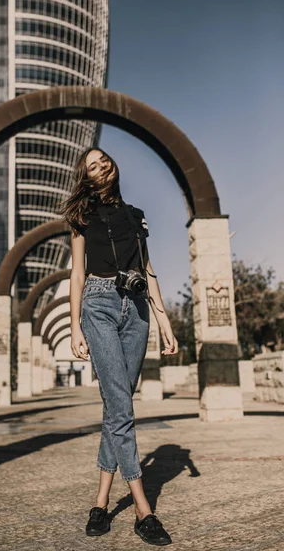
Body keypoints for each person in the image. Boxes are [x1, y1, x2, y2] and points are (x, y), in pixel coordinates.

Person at [59, 147, 179, 546]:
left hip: (138, 310)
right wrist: (75, 325)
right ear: (87, 177)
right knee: (122, 407)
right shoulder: (80, 217)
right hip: (98, 304)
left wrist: (164, 321)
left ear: (113, 166)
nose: (100, 167)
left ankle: (100, 501)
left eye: (103, 160)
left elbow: (147, 268)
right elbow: (77, 273)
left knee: (117, 406)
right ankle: (144, 510)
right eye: (91, 166)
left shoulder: (135, 215)